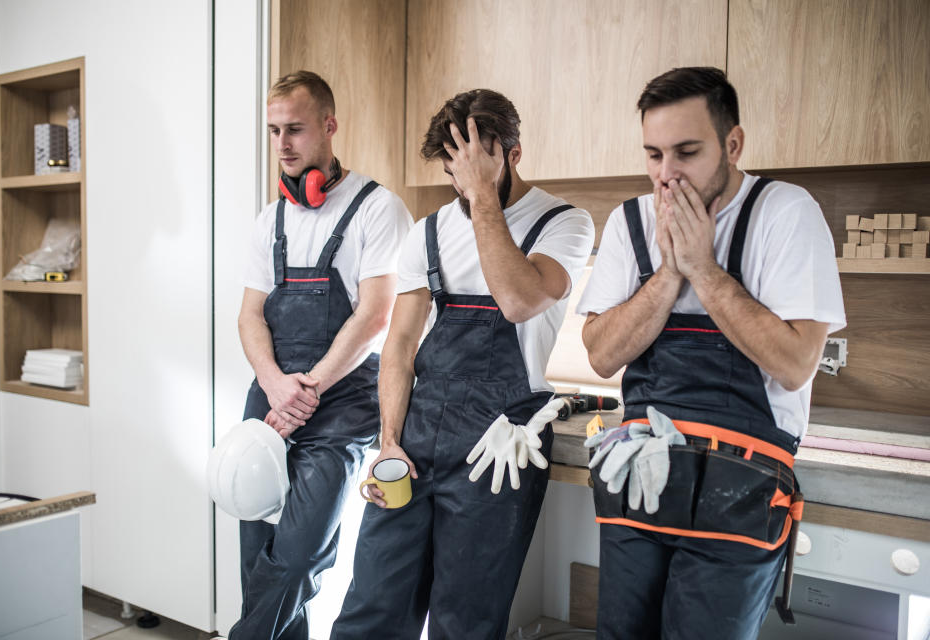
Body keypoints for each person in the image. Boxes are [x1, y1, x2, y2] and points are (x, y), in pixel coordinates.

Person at [577, 67, 846, 639]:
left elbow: (796, 364)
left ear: (733, 143)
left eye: (686, 153)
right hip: (639, 475)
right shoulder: (631, 223)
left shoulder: (786, 214)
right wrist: (668, 276)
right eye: (653, 155)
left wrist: (703, 266)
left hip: (739, 489)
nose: (666, 176)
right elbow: (601, 355)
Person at [330, 89, 594, 639]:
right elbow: (400, 347)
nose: (461, 185)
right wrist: (388, 443)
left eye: (474, 167)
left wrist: (483, 201)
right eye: (454, 171)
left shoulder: (564, 224)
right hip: (417, 440)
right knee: (370, 612)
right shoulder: (426, 233)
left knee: (465, 622)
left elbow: (520, 300)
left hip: (495, 446)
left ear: (513, 155)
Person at [231, 70, 412, 640]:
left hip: (340, 408)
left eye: (296, 130)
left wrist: (306, 390)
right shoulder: (271, 218)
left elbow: (377, 314)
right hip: (270, 401)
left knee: (301, 554)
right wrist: (276, 386)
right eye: (274, 131)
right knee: (257, 548)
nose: (282, 145)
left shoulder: (377, 209)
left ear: (329, 127)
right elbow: (249, 314)